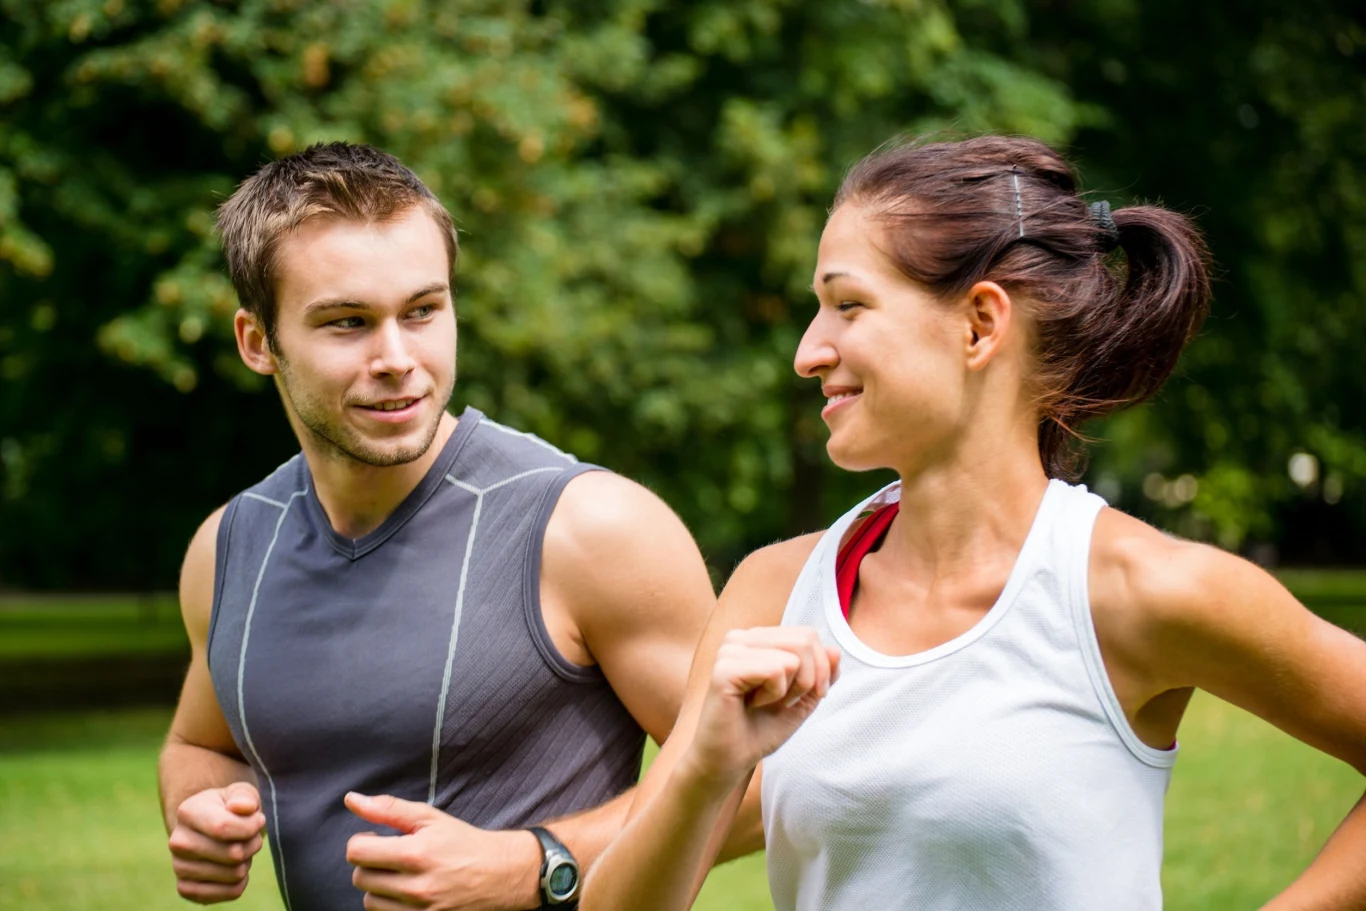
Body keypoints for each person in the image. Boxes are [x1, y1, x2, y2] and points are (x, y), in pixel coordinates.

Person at [582, 135, 1366, 911]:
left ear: (980, 325)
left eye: (848, 304)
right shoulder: (773, 592)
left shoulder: (1139, 590)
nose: (808, 351)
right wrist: (704, 769)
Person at [156, 142, 721, 911]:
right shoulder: (228, 547)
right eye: (347, 322)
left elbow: (756, 779)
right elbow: (201, 744)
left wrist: (535, 863)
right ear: (258, 342)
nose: (397, 357)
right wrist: (203, 812)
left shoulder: (589, 527)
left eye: (422, 311)